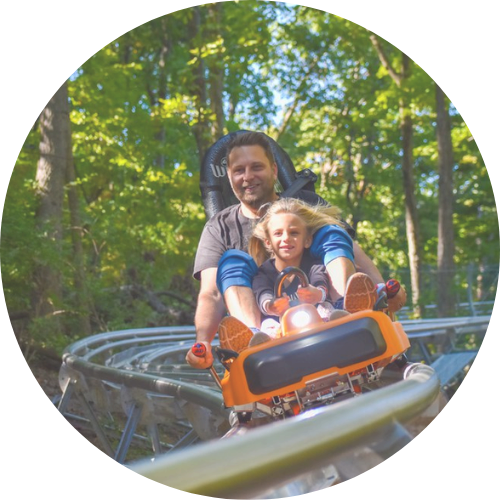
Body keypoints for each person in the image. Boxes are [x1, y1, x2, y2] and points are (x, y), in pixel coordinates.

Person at [186, 131, 406, 369]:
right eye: (239, 170)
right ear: (229, 177)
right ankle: (252, 337)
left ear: (274, 170)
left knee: (331, 231)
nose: (248, 177)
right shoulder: (218, 228)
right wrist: (202, 342)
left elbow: (351, 251)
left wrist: (385, 293)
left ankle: (347, 308)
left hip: (324, 312)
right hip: (271, 328)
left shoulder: (305, 203)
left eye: (256, 167)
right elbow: (211, 293)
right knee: (232, 261)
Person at [249, 197, 359, 336]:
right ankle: (263, 339)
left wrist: (317, 294)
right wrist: (271, 305)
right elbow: (262, 292)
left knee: (325, 307)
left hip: (314, 320)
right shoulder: (264, 273)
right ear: (268, 242)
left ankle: (339, 319)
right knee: (267, 324)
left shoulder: (313, 264)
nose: (286, 238)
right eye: (278, 234)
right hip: (281, 326)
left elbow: (320, 280)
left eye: (294, 233)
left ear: (307, 240)